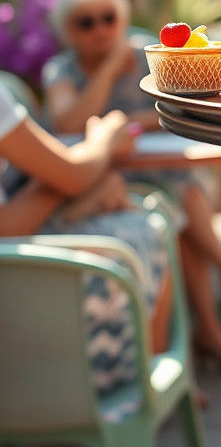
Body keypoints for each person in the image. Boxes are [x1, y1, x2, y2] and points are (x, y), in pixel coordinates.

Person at [42, 0, 221, 374]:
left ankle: (200, 342)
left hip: (161, 176)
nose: (100, 29)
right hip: (102, 184)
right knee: (177, 206)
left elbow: (184, 106)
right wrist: (106, 71)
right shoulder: (62, 69)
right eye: (85, 23)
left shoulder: (149, 55)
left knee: (177, 204)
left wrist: (131, 119)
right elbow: (69, 123)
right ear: (68, 31)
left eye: (108, 18)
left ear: (121, 18)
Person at [0, 88, 172, 408]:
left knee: (121, 206)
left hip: (11, 257)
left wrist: (70, 180)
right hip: (12, 280)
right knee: (149, 227)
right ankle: (137, 391)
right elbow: (69, 175)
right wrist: (100, 146)